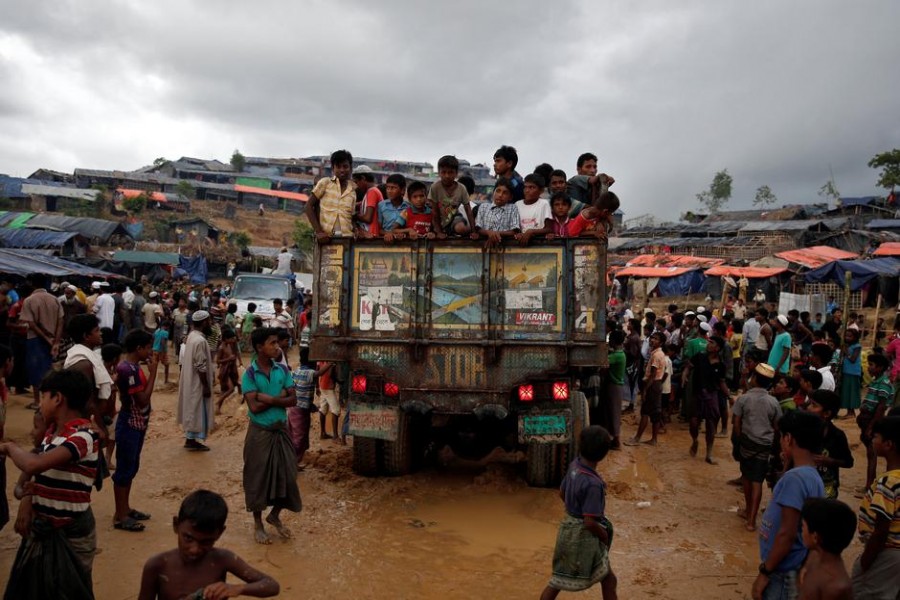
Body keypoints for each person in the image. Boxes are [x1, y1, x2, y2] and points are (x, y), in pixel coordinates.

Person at [1, 369, 99, 599]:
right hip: (47, 528)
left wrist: (9, 447)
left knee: (70, 589)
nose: (40, 402)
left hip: (70, 532)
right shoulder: (52, 435)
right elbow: (30, 480)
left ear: (57, 398)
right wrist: (27, 497)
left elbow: (34, 466)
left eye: (43, 396)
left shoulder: (82, 436)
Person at [137, 489, 280, 600]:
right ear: (176, 525)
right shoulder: (158, 565)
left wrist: (237, 588)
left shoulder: (222, 559)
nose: (194, 549)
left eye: (206, 542)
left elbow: (272, 585)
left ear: (220, 533)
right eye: (188, 538)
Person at [753, 410, 826, 600]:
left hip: (781, 569)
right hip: (794, 563)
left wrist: (765, 572)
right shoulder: (811, 475)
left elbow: (787, 533)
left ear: (789, 438)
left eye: (781, 437)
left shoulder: (795, 479)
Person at [540, 425, 617, 600]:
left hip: (567, 528)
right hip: (584, 535)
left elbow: (562, 493)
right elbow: (590, 522)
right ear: (605, 454)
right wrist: (604, 535)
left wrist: (574, 511)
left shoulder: (574, 466)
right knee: (609, 580)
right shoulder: (593, 484)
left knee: (557, 580)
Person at [242, 327, 302, 544]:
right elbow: (254, 408)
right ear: (260, 347)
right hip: (259, 434)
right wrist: (280, 397)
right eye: (272, 343)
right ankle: (258, 523)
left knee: (289, 474)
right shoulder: (249, 374)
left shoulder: (282, 370)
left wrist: (267, 398)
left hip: (281, 431)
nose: (278, 347)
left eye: (278, 343)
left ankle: (274, 515)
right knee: (257, 478)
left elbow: (294, 400)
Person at [112, 329, 158, 533]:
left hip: (135, 423)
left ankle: (125, 509)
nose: (150, 351)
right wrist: (154, 373)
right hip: (130, 422)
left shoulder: (131, 367)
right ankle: (120, 515)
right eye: (148, 347)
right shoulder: (129, 370)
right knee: (125, 469)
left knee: (131, 467)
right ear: (138, 348)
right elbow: (142, 400)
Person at [852, 415, 900, 597]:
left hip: (886, 551)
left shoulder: (888, 482)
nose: (872, 440)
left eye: (875, 437)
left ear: (888, 444)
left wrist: (866, 560)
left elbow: (881, 530)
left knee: (868, 592)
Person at [733, 363, 782, 532]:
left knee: (747, 478)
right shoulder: (774, 402)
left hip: (747, 443)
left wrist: (738, 442)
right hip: (765, 446)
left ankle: (749, 514)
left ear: (753, 379)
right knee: (757, 481)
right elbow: (777, 427)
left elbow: (737, 424)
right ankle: (751, 520)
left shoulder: (744, 399)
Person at [796, 498, 855, 600]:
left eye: (803, 527)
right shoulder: (816, 557)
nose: (801, 531)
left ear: (815, 537)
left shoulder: (836, 588)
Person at [684, 334, 729, 464]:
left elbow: (722, 383)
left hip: (711, 395)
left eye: (712, 343)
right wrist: (685, 375)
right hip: (697, 394)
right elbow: (689, 366)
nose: (709, 344)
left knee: (710, 425)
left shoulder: (721, 365)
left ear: (718, 348)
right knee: (693, 423)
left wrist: (729, 396)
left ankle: (709, 453)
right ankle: (695, 440)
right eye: (709, 342)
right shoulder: (700, 357)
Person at [21, 275, 64, 410]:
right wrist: (55, 341)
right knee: (49, 369)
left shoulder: (29, 300)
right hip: (52, 340)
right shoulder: (55, 299)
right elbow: (60, 321)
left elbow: (31, 324)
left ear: (32, 284)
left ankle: (37, 401)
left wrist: (46, 339)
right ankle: (49, 400)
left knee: (35, 370)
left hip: (35, 339)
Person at [177, 310, 215, 452]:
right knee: (197, 408)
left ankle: (190, 439)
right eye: (209, 321)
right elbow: (201, 365)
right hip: (197, 382)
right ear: (204, 322)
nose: (210, 324)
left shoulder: (192, 336)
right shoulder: (199, 340)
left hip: (191, 380)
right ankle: (192, 440)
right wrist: (205, 386)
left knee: (193, 407)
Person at [806, 390, 853, 500]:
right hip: (805, 486)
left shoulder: (837, 435)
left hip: (827, 489)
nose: (808, 408)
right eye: (810, 403)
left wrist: (830, 461)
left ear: (826, 413)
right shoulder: (803, 431)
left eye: (814, 405)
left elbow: (848, 462)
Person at [859, 353, 893, 491]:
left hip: (872, 421)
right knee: (870, 454)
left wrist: (871, 427)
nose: (869, 367)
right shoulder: (875, 381)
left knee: (872, 455)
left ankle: (869, 486)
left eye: (871, 365)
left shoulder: (883, 384)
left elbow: (880, 408)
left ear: (880, 367)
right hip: (867, 420)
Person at [626, 332, 665, 447]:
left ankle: (637, 438)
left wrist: (645, 390)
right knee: (655, 412)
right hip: (656, 384)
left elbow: (652, 375)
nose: (652, 340)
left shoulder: (657, 355)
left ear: (661, 342)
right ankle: (653, 439)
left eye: (656, 339)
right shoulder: (656, 353)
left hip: (652, 384)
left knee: (645, 412)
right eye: (652, 338)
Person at [307, 149, 356, 241]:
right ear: (333, 169)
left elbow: (351, 216)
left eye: (345, 166)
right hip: (327, 239)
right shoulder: (325, 183)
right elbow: (308, 206)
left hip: (347, 239)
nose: (342, 170)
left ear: (350, 168)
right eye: (338, 167)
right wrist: (318, 232)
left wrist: (357, 230)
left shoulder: (352, 191)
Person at [289, 348, 326, 468]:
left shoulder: (297, 371)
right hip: (300, 410)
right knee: (299, 437)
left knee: (298, 435)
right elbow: (319, 374)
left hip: (296, 409)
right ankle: (292, 463)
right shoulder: (309, 372)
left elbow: (300, 391)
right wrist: (330, 364)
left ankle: (294, 461)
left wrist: (311, 405)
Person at [429, 155, 475, 237]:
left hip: (454, 218)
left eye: (450, 172)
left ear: (456, 173)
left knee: (461, 229)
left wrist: (474, 231)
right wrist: (439, 232)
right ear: (439, 173)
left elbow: (468, 210)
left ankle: (477, 230)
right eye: (443, 172)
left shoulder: (461, 188)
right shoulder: (435, 187)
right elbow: (435, 212)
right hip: (439, 219)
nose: (447, 176)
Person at [471, 177, 520, 247]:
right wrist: (489, 233)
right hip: (484, 246)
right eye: (498, 191)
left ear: (510, 197)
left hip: (506, 247)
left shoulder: (512, 208)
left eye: (505, 193)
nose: (500, 195)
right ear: (493, 192)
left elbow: (514, 231)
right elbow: (478, 228)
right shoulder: (483, 207)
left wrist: (495, 234)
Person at [602, 329, 626, 449]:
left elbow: (602, 363)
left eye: (610, 339)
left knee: (614, 413)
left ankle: (616, 440)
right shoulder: (620, 354)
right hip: (615, 386)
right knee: (613, 412)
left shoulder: (616, 356)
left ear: (614, 341)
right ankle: (614, 438)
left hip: (614, 386)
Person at [514, 173, 552, 245]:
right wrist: (518, 234)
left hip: (539, 244)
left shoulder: (544, 204)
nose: (527, 190)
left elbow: (549, 229)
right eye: (525, 187)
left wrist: (531, 231)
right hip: (520, 244)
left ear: (541, 190)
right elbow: (515, 228)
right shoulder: (517, 204)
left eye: (531, 187)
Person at [351, 164, 383, 237]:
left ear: (363, 178)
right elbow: (363, 204)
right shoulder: (372, 191)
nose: (356, 185)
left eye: (356, 182)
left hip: (371, 233)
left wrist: (355, 216)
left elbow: (367, 218)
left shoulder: (372, 192)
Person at [216, 326, 242, 413]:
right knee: (230, 389)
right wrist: (228, 359)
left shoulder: (230, 345)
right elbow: (218, 361)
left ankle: (218, 408)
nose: (233, 339)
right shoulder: (221, 348)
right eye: (231, 338)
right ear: (226, 339)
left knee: (235, 385)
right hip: (225, 370)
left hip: (231, 369)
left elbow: (236, 352)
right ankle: (219, 402)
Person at [840, 328, 862, 418]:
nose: (847, 338)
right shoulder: (846, 346)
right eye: (846, 336)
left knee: (852, 392)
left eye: (850, 336)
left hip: (853, 372)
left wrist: (846, 352)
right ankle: (849, 411)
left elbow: (853, 359)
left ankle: (852, 412)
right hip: (846, 371)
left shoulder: (857, 346)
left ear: (855, 337)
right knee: (846, 392)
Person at [316, 360, 340, 441]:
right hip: (328, 387)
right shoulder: (331, 361)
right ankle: (335, 436)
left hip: (322, 385)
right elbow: (332, 375)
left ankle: (322, 433)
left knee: (323, 409)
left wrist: (317, 387)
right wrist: (339, 381)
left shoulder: (320, 359)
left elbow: (317, 371)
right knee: (336, 410)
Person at [152, 315, 170, 384]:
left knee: (155, 365)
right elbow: (163, 342)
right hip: (161, 351)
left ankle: (153, 380)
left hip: (154, 350)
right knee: (166, 364)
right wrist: (164, 351)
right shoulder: (165, 332)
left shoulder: (157, 331)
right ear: (167, 326)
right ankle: (166, 380)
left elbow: (153, 339)